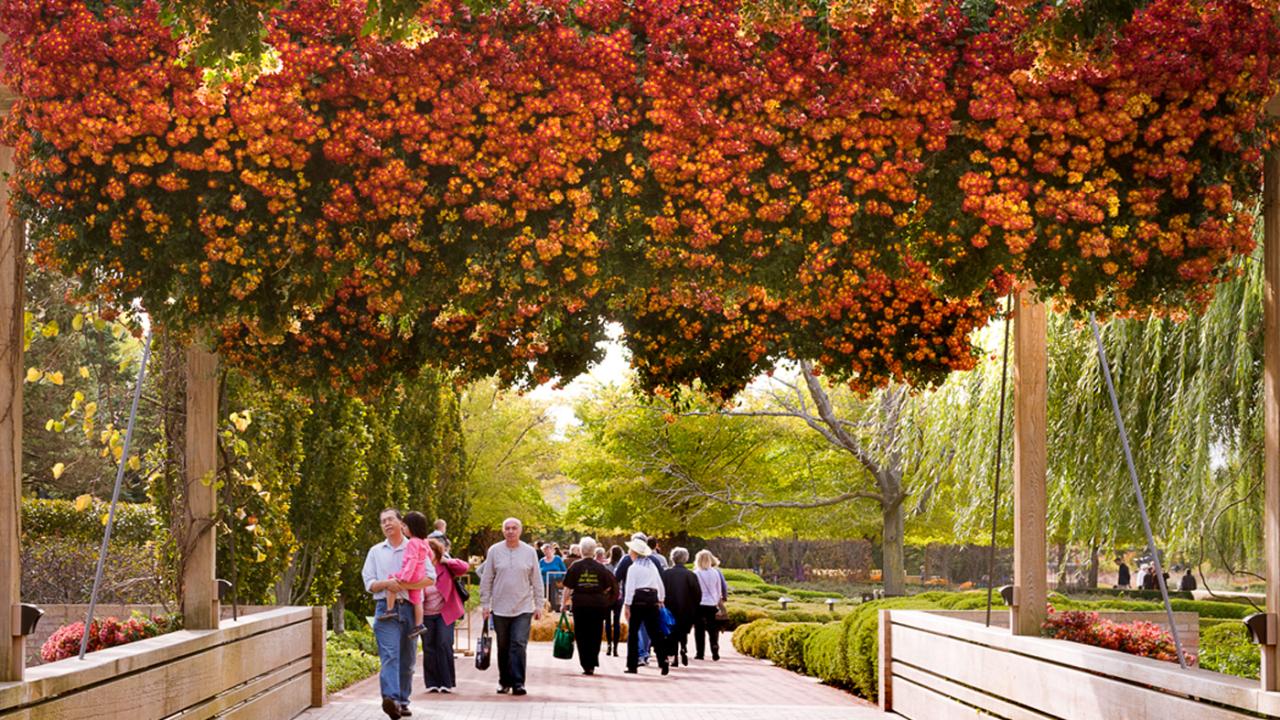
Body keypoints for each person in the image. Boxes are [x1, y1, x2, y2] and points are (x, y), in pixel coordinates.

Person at [362, 508, 436, 719]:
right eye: (382, 521)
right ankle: (391, 700)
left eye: (390, 519)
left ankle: (403, 701)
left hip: (411, 608)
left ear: (401, 523)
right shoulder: (376, 551)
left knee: (408, 658)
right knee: (390, 655)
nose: (386, 524)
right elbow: (369, 583)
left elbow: (431, 578)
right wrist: (387, 584)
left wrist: (403, 584)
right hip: (385, 609)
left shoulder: (416, 546)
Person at [480, 517, 544, 696]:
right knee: (504, 645)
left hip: (523, 607)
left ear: (520, 531)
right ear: (503, 531)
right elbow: (487, 579)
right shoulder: (494, 551)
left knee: (518, 644)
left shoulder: (529, 552)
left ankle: (518, 683)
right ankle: (504, 681)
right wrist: (485, 604)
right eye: (507, 528)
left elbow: (537, 580)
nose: (510, 531)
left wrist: (539, 604)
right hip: (500, 607)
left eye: (514, 528)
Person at [561, 536, 619, 675]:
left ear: (581, 550)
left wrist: (563, 604)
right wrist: (599, 592)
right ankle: (592, 661)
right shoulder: (601, 567)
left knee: (581, 634)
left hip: (580, 604)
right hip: (597, 605)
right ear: (594, 551)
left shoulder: (575, 566)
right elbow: (609, 586)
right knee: (595, 633)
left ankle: (585, 663)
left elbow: (567, 587)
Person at [422, 537, 469, 693]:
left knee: (444, 643)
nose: (427, 554)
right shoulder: (419, 568)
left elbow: (464, 567)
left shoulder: (445, 566)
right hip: (425, 613)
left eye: (430, 551)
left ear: (436, 552)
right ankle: (432, 683)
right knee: (429, 647)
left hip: (445, 612)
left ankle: (446, 682)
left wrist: (447, 560)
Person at [377, 511, 431, 640]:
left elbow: (411, 560)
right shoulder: (424, 542)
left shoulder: (412, 542)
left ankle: (389, 609)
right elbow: (429, 557)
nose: (403, 528)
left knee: (391, 581)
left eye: (405, 526)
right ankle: (419, 624)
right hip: (419, 574)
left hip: (410, 573)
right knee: (417, 600)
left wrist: (404, 577)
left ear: (412, 527)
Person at [622, 537, 669, 675]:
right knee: (655, 632)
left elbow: (630, 588)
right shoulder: (652, 566)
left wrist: (627, 606)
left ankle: (632, 665)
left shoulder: (633, 568)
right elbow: (660, 585)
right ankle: (663, 659)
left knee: (633, 633)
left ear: (635, 553)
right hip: (652, 599)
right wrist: (661, 599)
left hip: (638, 600)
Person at [661, 547, 701, 667]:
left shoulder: (665, 574)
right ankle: (683, 647)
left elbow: (661, 590)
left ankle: (674, 656)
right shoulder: (690, 575)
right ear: (686, 559)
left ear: (672, 559)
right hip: (686, 608)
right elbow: (697, 593)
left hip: (669, 607)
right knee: (683, 631)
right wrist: (694, 606)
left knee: (671, 632)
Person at [693, 549, 727, 661]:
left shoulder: (696, 573)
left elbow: (693, 590)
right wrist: (717, 602)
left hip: (699, 604)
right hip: (712, 604)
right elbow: (719, 590)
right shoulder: (715, 572)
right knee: (713, 628)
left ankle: (700, 653)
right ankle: (714, 646)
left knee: (699, 629)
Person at [606, 544, 625, 656]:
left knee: (608, 621)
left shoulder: (606, 566)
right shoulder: (622, 566)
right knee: (616, 621)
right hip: (619, 595)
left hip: (608, 596)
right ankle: (616, 648)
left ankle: (609, 645)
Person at [540, 542, 567, 609]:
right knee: (546, 599)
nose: (546, 552)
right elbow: (538, 572)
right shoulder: (541, 561)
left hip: (556, 583)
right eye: (544, 551)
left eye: (548, 550)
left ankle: (555, 609)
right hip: (544, 583)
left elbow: (564, 570)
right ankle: (547, 611)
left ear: (552, 550)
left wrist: (561, 579)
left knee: (554, 599)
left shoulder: (557, 559)